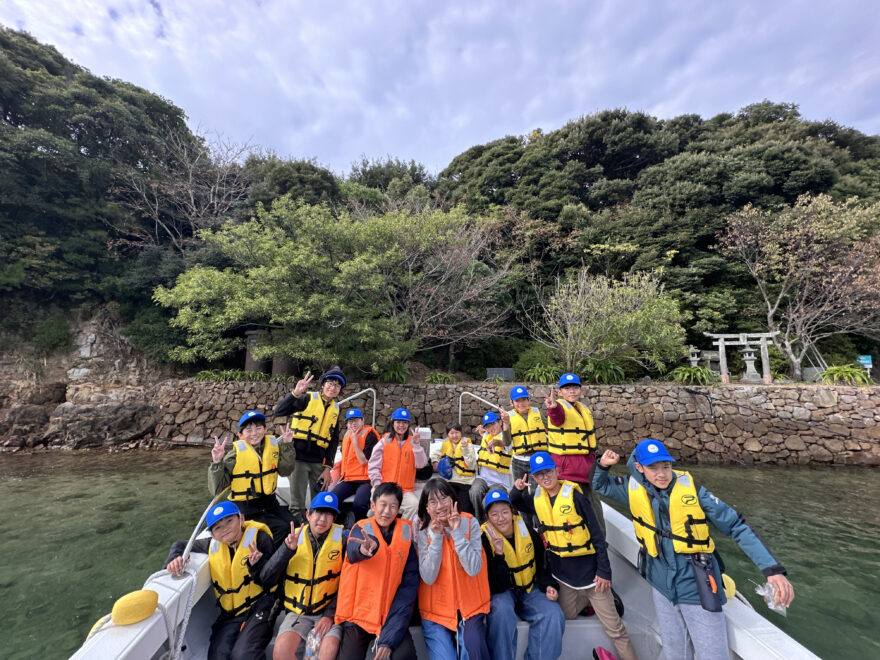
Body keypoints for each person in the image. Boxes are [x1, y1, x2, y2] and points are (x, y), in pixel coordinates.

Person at [594, 439, 795, 660]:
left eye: (666, 466)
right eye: (653, 468)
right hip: (660, 584)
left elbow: (736, 525)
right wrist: (602, 466)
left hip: (696, 585)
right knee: (674, 652)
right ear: (639, 467)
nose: (662, 474)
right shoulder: (632, 489)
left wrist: (772, 570)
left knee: (713, 655)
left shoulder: (694, 492)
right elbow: (599, 485)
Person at [512, 451, 637, 660]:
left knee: (616, 630)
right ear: (534, 478)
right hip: (565, 577)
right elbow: (517, 502)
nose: (545, 477)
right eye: (539, 475)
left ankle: (603, 605)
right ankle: (587, 603)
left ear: (556, 471)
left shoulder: (576, 497)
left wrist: (604, 571)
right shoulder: (539, 499)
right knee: (566, 615)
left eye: (548, 472)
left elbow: (597, 536)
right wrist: (517, 490)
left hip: (592, 577)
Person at [164, 501, 277, 660]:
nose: (225, 529)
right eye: (217, 527)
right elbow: (181, 544)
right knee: (218, 655)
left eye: (229, 521)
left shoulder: (260, 539)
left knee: (244, 654)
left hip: (260, 606)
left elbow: (272, 579)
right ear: (212, 534)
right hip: (230, 614)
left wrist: (258, 564)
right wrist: (175, 557)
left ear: (241, 519)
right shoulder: (212, 544)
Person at [334, 482, 420, 660]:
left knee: (405, 656)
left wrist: (388, 640)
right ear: (373, 506)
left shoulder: (406, 534)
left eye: (393, 506)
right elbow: (353, 551)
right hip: (358, 616)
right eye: (383, 505)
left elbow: (409, 586)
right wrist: (364, 550)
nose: (387, 511)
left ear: (399, 509)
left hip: (390, 614)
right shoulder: (360, 529)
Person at [260, 492, 347, 660]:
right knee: (281, 652)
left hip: (328, 613)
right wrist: (287, 550)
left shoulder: (342, 541)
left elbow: (348, 584)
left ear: (334, 519)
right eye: (318, 512)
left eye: (329, 514)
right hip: (297, 613)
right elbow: (266, 578)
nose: (323, 519)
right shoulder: (293, 538)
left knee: (325, 652)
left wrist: (330, 615)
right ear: (308, 515)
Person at [481, 488, 565, 660]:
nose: (501, 518)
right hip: (502, 591)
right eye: (494, 514)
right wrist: (498, 554)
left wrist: (549, 585)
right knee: (500, 614)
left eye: (504, 512)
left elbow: (542, 564)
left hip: (530, 588)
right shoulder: (483, 539)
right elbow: (495, 585)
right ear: (487, 517)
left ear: (512, 511)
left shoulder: (526, 530)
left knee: (553, 614)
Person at [416, 478, 491, 660]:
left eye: (444, 498)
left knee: (473, 649)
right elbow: (428, 577)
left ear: (453, 499)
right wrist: (436, 538)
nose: (440, 506)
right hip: (436, 611)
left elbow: (473, 569)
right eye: (433, 502)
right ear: (427, 508)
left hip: (470, 607)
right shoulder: (423, 530)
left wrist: (457, 533)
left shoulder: (470, 522)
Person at [209, 410, 295, 544]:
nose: (254, 433)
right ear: (240, 435)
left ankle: (282, 551)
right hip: (248, 509)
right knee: (281, 529)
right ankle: (267, 555)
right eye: (248, 430)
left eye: (258, 428)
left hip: (270, 503)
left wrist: (287, 444)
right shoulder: (234, 455)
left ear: (265, 429)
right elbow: (218, 488)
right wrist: (217, 462)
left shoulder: (273, 448)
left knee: (294, 525)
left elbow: (285, 471)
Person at [274, 367, 346, 525]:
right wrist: (295, 393)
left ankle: (317, 529)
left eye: (337, 385)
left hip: (318, 462)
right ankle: (298, 532)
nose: (333, 387)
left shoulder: (335, 409)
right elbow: (279, 411)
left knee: (320, 500)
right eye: (330, 383)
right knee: (297, 504)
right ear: (323, 384)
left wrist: (328, 467)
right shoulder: (306, 398)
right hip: (298, 459)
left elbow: (333, 441)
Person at [543, 373, 605, 533]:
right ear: (560, 392)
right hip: (568, 472)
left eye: (575, 387)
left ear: (581, 390)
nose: (572, 391)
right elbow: (557, 417)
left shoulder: (582, 408)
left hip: (587, 469)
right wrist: (552, 407)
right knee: (573, 513)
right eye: (567, 388)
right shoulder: (559, 407)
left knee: (595, 509)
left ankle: (599, 541)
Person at [367, 407, 427, 520]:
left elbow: (421, 464)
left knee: (414, 505)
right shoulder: (383, 442)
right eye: (398, 422)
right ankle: (376, 523)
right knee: (378, 505)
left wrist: (417, 445)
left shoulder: (413, 442)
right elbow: (373, 466)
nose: (401, 425)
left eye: (405, 422)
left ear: (408, 425)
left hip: (405, 490)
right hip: (384, 486)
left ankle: (401, 527)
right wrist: (378, 485)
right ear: (393, 423)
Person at [332, 408, 380, 522]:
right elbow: (345, 459)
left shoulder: (370, 435)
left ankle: (360, 526)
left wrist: (355, 441)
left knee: (360, 504)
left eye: (356, 420)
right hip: (348, 479)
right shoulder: (346, 436)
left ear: (362, 421)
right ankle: (342, 522)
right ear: (347, 424)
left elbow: (363, 461)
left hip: (365, 480)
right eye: (350, 421)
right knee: (332, 500)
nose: (353, 423)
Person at [470, 410, 513, 522]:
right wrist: (482, 430)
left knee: (487, 501)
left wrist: (496, 442)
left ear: (500, 422)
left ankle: (490, 522)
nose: (491, 428)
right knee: (474, 492)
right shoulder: (486, 436)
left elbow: (505, 444)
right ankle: (479, 521)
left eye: (493, 424)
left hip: (499, 482)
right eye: (488, 426)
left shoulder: (506, 439)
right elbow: (483, 432)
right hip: (482, 478)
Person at [431, 421, 477, 514]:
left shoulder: (468, 445)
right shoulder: (444, 445)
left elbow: (472, 465)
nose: (454, 436)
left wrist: (465, 450)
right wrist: (435, 462)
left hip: (465, 482)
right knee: (447, 506)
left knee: (465, 508)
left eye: (457, 432)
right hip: (449, 481)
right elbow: (434, 455)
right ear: (448, 435)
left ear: (461, 433)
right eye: (452, 433)